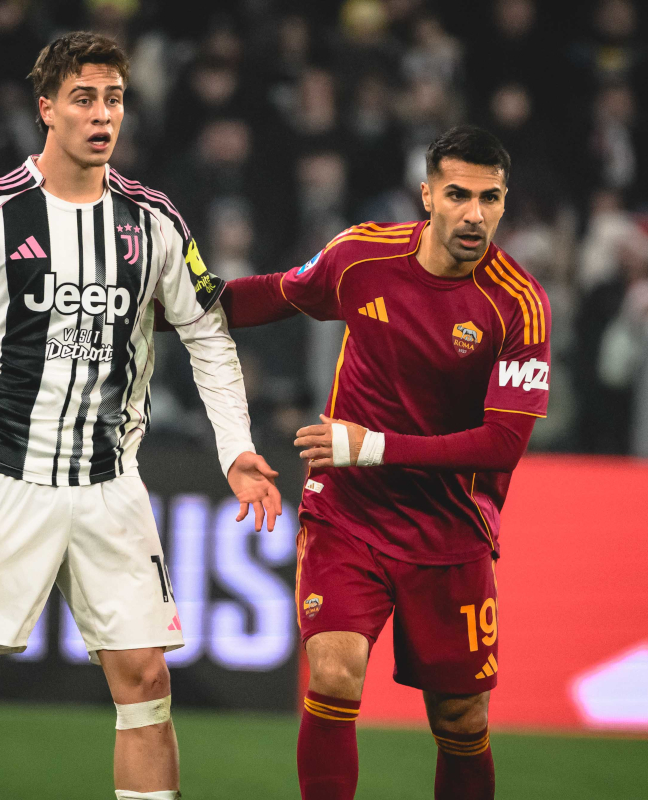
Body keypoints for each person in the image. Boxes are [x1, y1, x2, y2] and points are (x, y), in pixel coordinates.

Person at [0, 32, 281, 800]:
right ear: (47, 109)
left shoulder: (152, 220)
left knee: (146, 678)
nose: (101, 114)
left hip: (108, 484)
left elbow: (207, 334)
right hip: (4, 479)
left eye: (114, 98)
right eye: (84, 98)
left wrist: (237, 450)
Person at [172, 126, 549, 799]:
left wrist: (371, 445)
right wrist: (178, 303)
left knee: (461, 719)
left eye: (489, 198)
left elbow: (502, 444)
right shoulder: (361, 256)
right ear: (427, 195)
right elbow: (279, 294)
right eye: (457, 194)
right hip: (349, 513)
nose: (474, 213)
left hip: (450, 532)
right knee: (334, 672)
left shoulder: (518, 305)